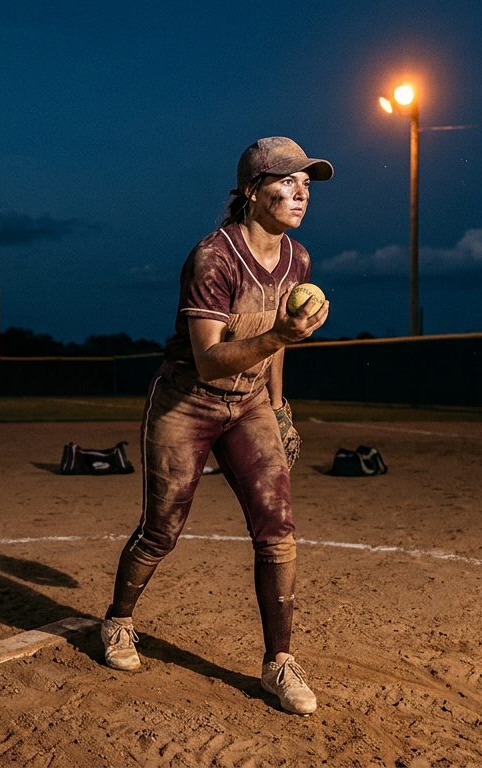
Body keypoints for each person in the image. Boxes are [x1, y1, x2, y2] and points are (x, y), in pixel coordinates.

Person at [100, 137, 332, 715]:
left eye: (306, 182)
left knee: (278, 530)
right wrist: (281, 334)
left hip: (249, 405)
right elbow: (207, 358)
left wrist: (279, 410)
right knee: (162, 530)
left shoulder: (298, 259)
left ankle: (278, 662)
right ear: (252, 191)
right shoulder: (215, 257)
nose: (300, 192)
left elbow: (274, 353)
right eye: (287, 181)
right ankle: (118, 621)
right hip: (187, 401)